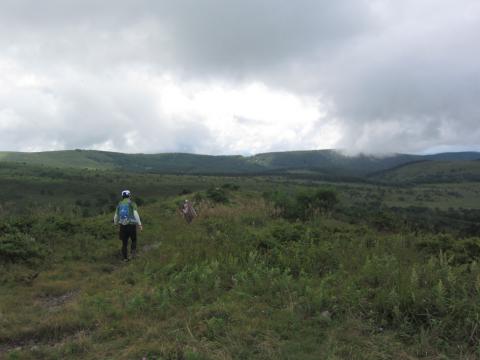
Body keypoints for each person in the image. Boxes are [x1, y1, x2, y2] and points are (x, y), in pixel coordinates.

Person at [114, 190, 143, 262]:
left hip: (122, 226)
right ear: (129, 195)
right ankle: (133, 254)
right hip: (131, 225)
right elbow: (135, 213)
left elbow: (116, 216)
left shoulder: (119, 204)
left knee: (124, 243)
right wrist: (139, 224)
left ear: (122, 196)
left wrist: (115, 224)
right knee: (134, 240)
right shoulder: (131, 203)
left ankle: (125, 258)